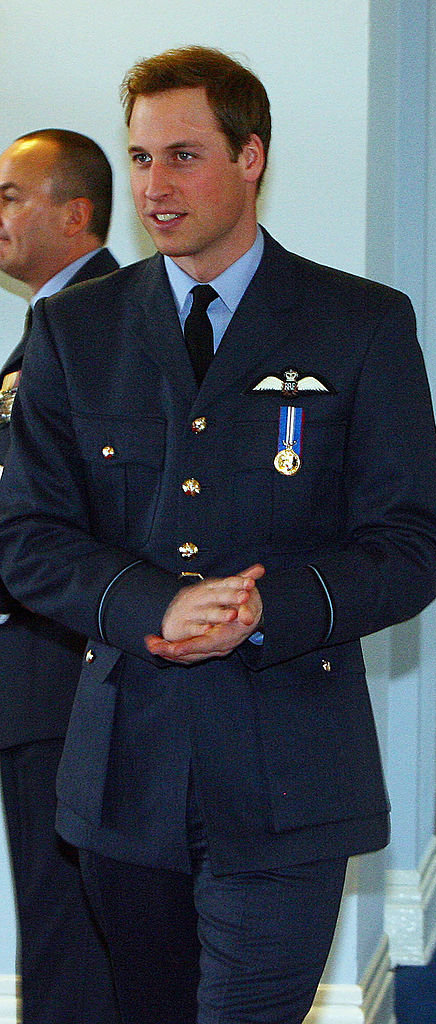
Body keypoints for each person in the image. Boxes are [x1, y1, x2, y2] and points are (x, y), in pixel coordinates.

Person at [0, 46, 436, 1024]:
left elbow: (413, 540)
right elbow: (30, 536)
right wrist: (154, 603)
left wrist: (264, 609)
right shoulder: (75, 332)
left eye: (184, 156)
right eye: (140, 159)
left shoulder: (359, 323)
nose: (155, 188)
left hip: (291, 756)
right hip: (126, 764)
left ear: (252, 157)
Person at [0, 128, 119, 1024]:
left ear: (75, 213)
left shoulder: (99, 320)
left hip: (61, 666)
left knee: (66, 928)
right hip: (40, 667)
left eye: (11, 195)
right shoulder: (56, 319)